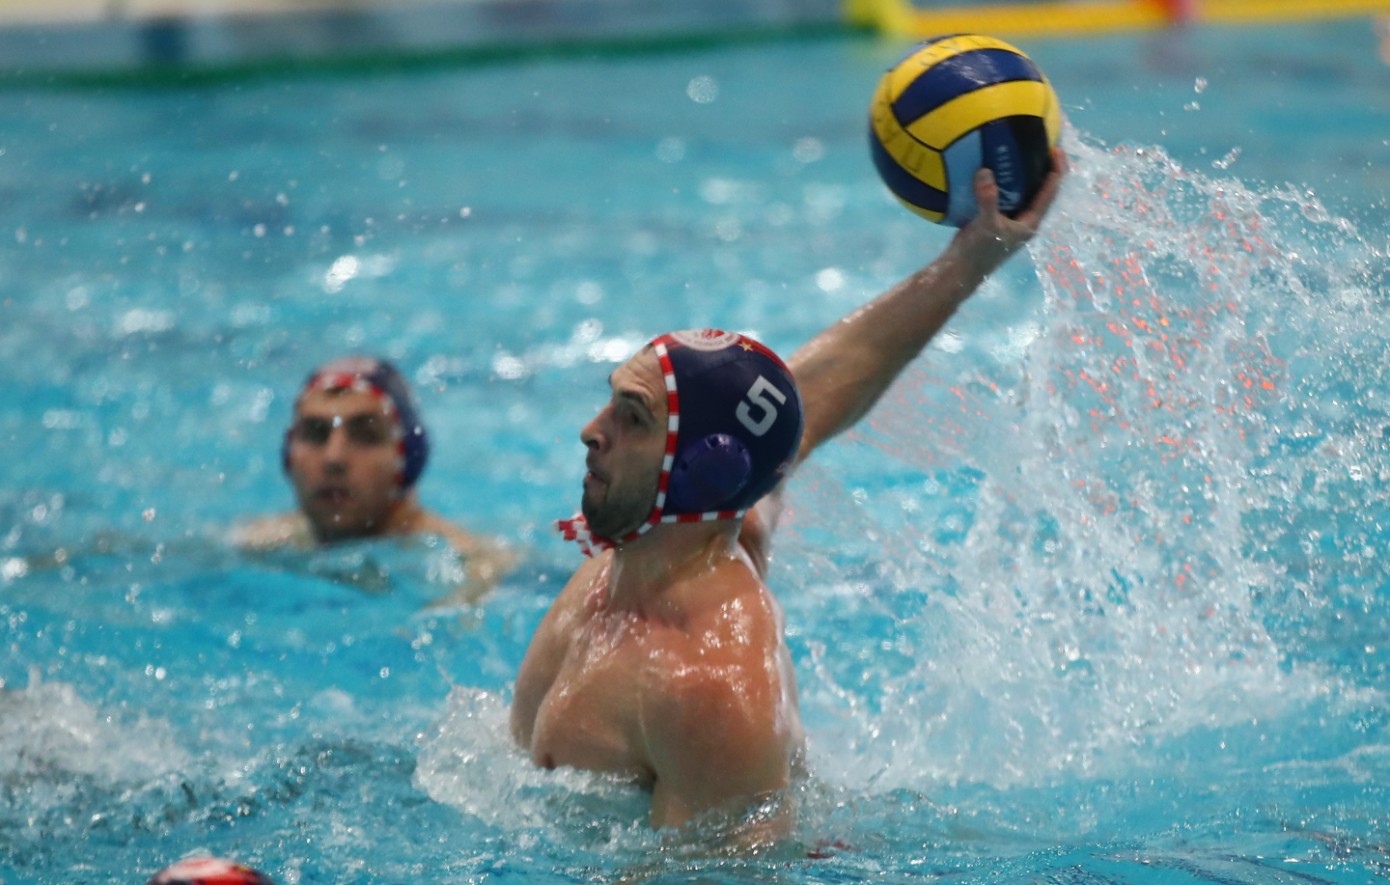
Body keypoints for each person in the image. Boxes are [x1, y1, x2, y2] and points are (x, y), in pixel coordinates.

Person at [510, 155, 1067, 845]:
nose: (591, 431)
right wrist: (971, 258)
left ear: (703, 472)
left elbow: (724, 871)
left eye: (632, 416)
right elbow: (821, 386)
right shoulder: (700, 524)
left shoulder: (702, 685)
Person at [236, 355, 514, 602]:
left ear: (408, 458)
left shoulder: (470, 566)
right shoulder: (257, 545)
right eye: (316, 433)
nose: (334, 458)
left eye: (365, 435)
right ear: (288, 455)